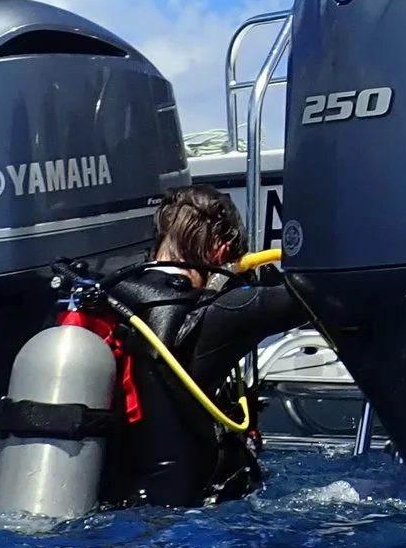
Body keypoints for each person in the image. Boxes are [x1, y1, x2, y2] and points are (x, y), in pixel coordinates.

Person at [92, 186, 310, 508]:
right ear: (221, 252)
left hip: (114, 507)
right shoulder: (208, 315)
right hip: (183, 519)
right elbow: (316, 297)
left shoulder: (109, 297)